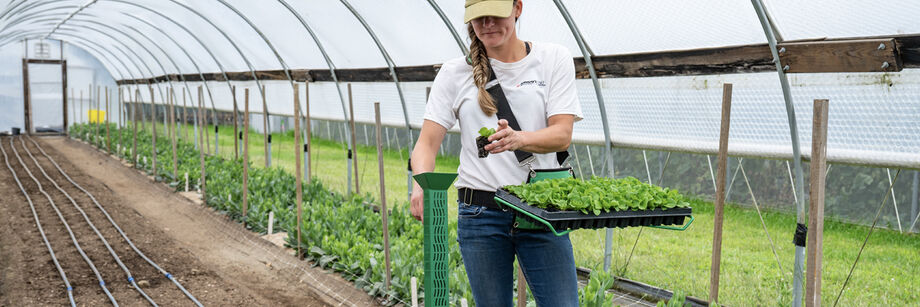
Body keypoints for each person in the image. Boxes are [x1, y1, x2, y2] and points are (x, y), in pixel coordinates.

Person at [409, 0, 582, 305]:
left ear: (517, 8)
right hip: (480, 214)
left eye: (496, 14)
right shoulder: (453, 73)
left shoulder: (553, 58)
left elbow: (562, 135)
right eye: (479, 17)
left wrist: (519, 139)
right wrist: (420, 182)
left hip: (541, 211)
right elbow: (426, 144)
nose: (488, 23)